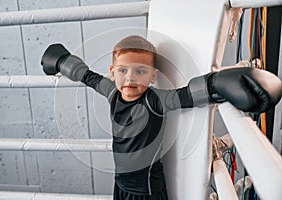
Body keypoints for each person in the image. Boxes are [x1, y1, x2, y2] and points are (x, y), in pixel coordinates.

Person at [41, 35, 282, 200]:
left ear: (153, 76)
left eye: (140, 71)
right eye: (123, 71)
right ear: (113, 73)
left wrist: (217, 84)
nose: (131, 78)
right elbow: (88, 77)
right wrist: (62, 61)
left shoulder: (154, 100)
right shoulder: (112, 91)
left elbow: (186, 95)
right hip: (121, 185)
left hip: (148, 190)